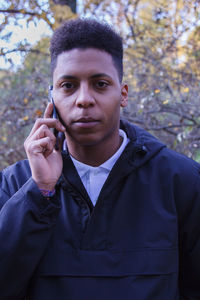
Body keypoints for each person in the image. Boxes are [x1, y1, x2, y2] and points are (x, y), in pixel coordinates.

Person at [0, 18, 200, 300]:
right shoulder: (14, 186)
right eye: (68, 86)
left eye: (100, 84)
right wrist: (40, 191)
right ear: (52, 97)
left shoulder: (183, 182)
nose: (84, 99)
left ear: (123, 94)